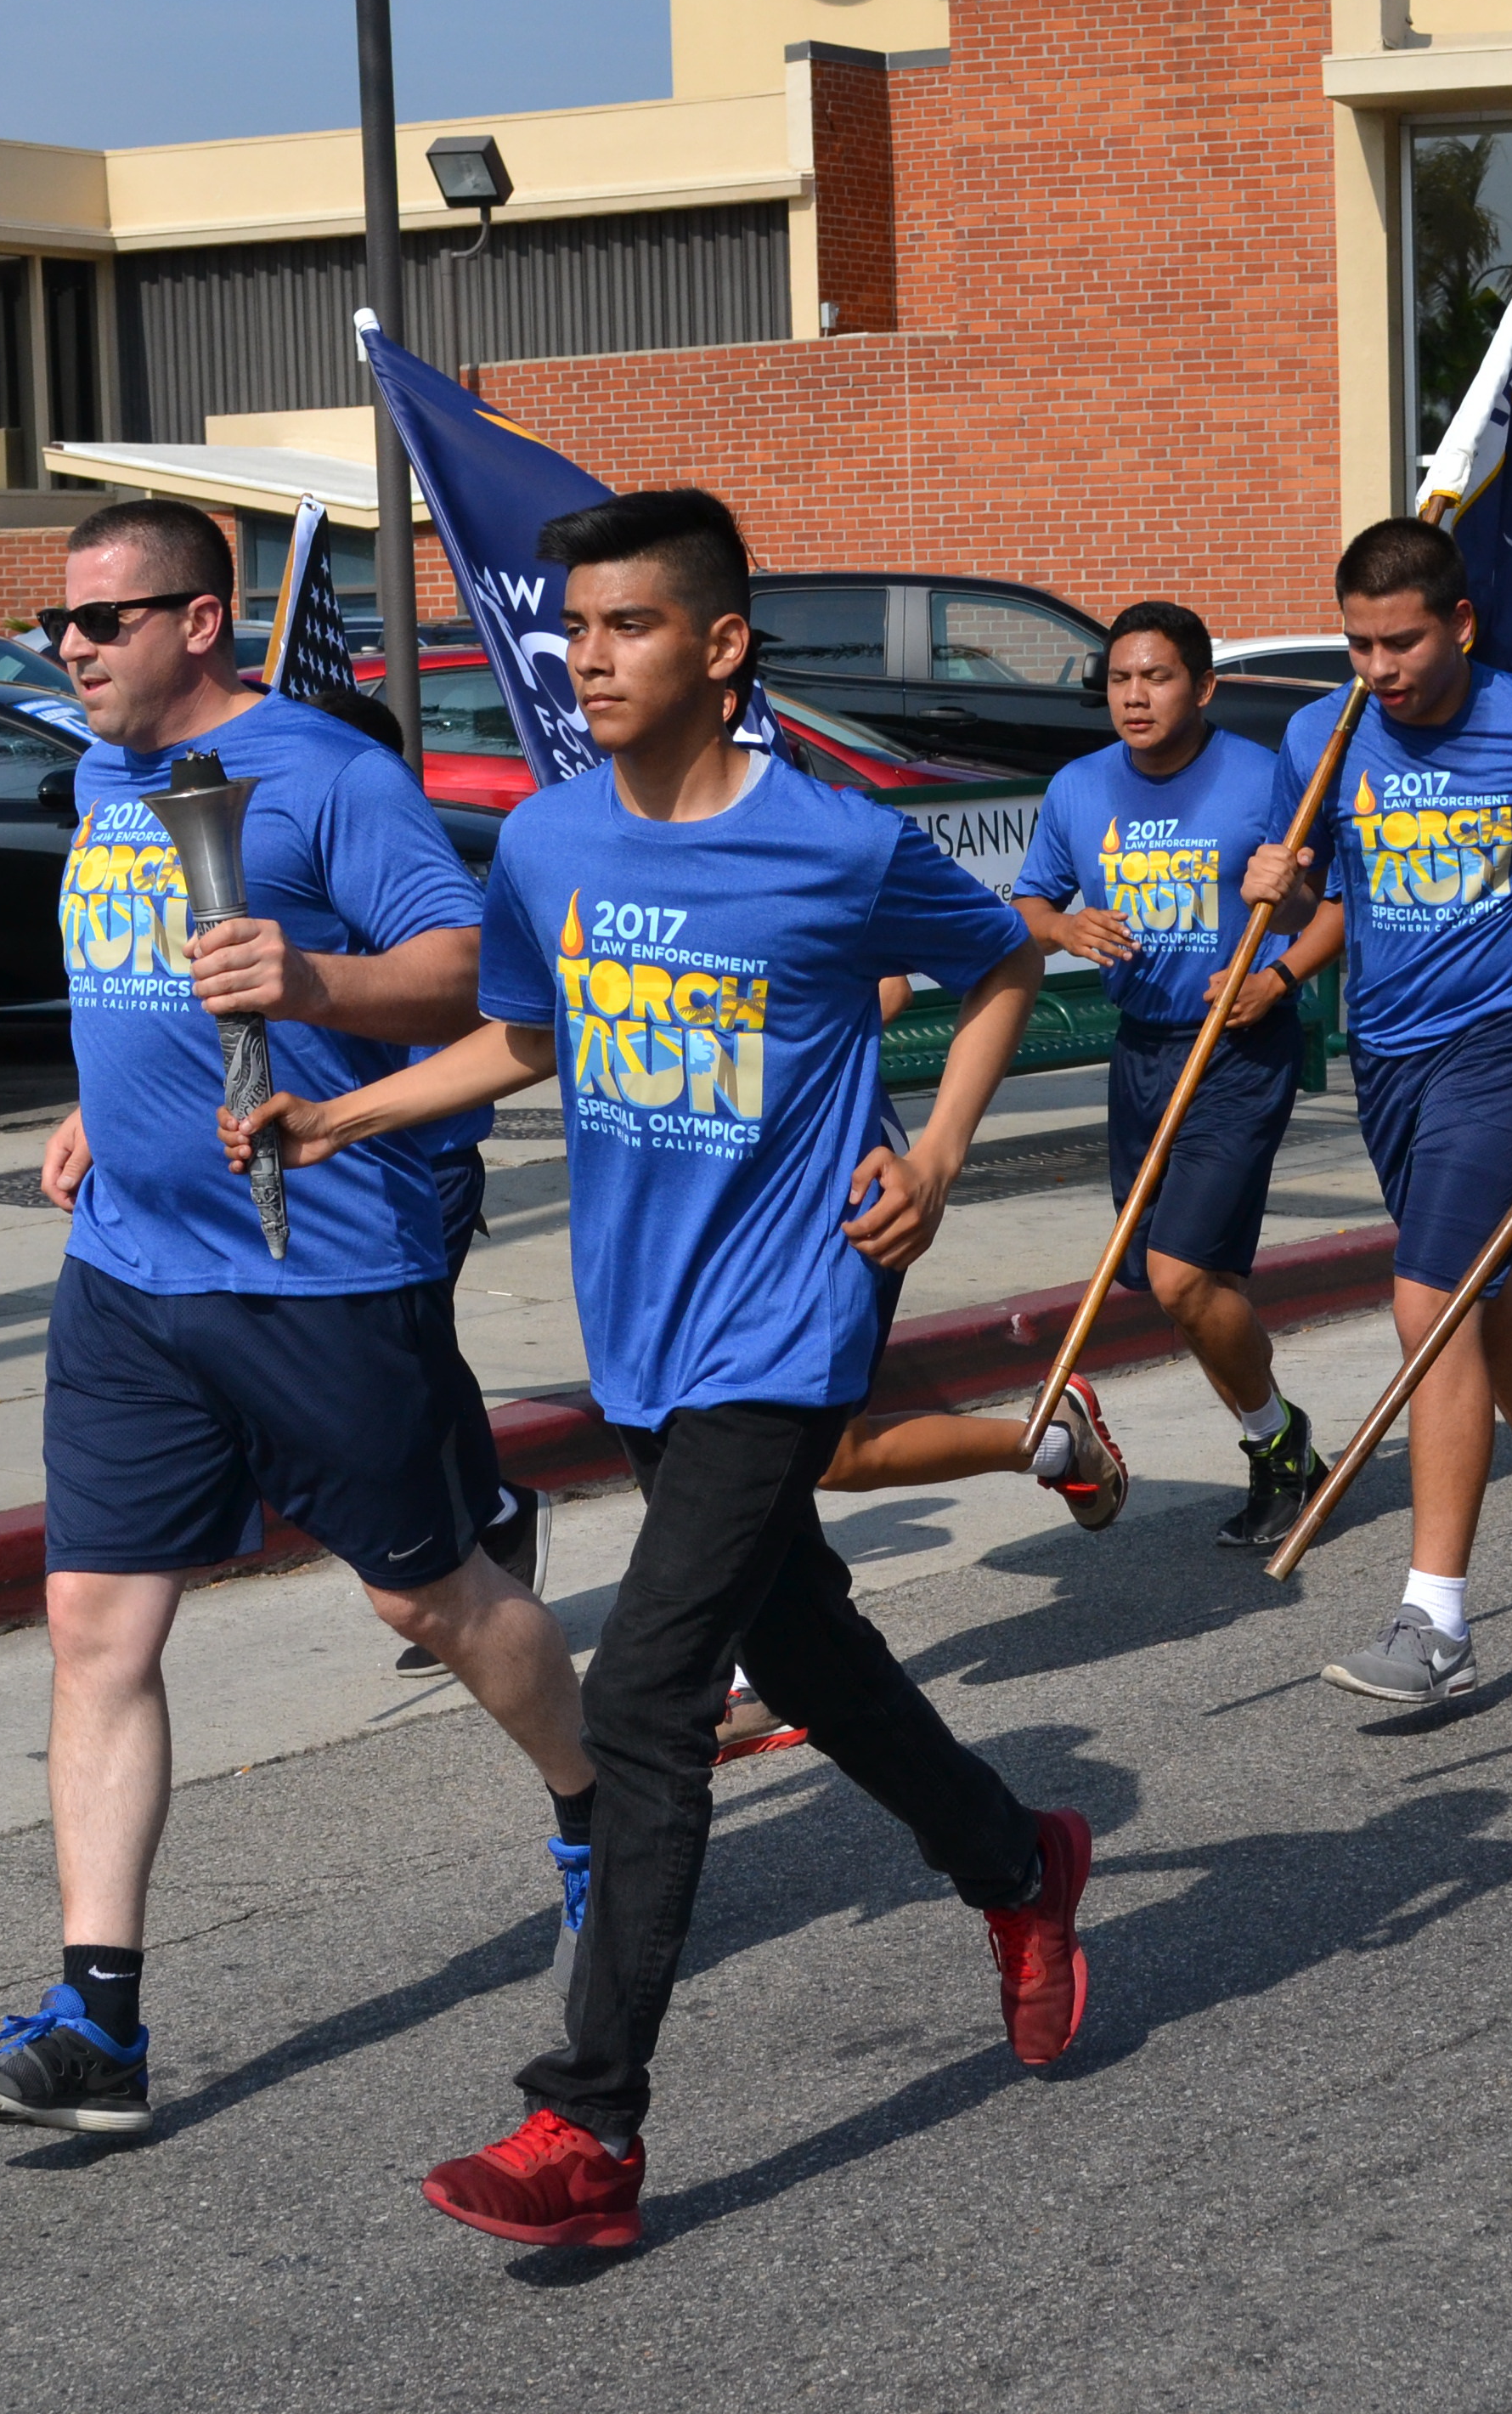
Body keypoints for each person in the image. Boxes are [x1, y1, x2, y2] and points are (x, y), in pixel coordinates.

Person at [240, 488, 1091, 2251]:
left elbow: (1001, 957)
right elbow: (521, 1038)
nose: (587, 656)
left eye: (625, 627)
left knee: (642, 1703)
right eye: (575, 628)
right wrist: (343, 1109)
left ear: (720, 649)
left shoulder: (837, 846)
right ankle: (1016, 1861)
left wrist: (931, 1156)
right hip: (642, 1328)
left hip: (784, 1329)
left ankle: (589, 2133)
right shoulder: (550, 845)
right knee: (813, 1653)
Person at [0, 500, 598, 2139]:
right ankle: (99, 2022)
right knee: (96, 1629)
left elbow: (471, 975)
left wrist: (309, 987)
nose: (67, 650)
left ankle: (603, 1805)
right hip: (132, 1275)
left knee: (429, 1602)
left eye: (99, 622)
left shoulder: (329, 777)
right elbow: (127, 971)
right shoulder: (102, 777)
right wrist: (103, 1104)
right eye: (57, 623)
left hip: (317, 1268)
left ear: (200, 621)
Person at [1243, 518, 1512, 1701]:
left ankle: (1434, 1620)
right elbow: (1310, 905)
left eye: (1400, 643)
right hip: (1389, 1053)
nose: (1378, 670)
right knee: (1483, 1311)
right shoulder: (1319, 736)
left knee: (1428, 1302)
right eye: (1358, 646)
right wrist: (1277, 899)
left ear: (1463, 625)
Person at [1010, 597, 1337, 1545]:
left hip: (1237, 1051)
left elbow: (1333, 908)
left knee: (1182, 1274)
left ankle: (1280, 1444)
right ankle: (1283, 1447)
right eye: (1118, 679)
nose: (1135, 696)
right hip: (1143, 1052)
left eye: (1156, 677)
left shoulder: (1260, 777)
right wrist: (1067, 927)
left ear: (1204, 687)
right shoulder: (1078, 788)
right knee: (1185, 1286)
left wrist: (1275, 975)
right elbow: (1031, 903)